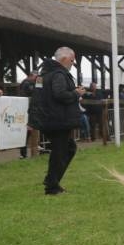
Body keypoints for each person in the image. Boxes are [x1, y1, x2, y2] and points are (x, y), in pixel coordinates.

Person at [40, 47, 85, 194]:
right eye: (72, 60)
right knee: (60, 152)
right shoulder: (59, 74)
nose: (72, 63)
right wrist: (76, 93)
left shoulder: (45, 73)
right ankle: (52, 186)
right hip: (58, 119)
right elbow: (59, 94)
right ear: (65, 59)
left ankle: (51, 180)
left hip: (50, 118)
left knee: (68, 148)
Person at [18, 70, 39, 158]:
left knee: (30, 131)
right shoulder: (27, 83)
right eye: (36, 77)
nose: (37, 79)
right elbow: (35, 93)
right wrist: (38, 84)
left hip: (30, 110)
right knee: (27, 132)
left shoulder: (30, 83)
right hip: (26, 110)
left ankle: (27, 152)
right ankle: (23, 153)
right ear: (32, 76)